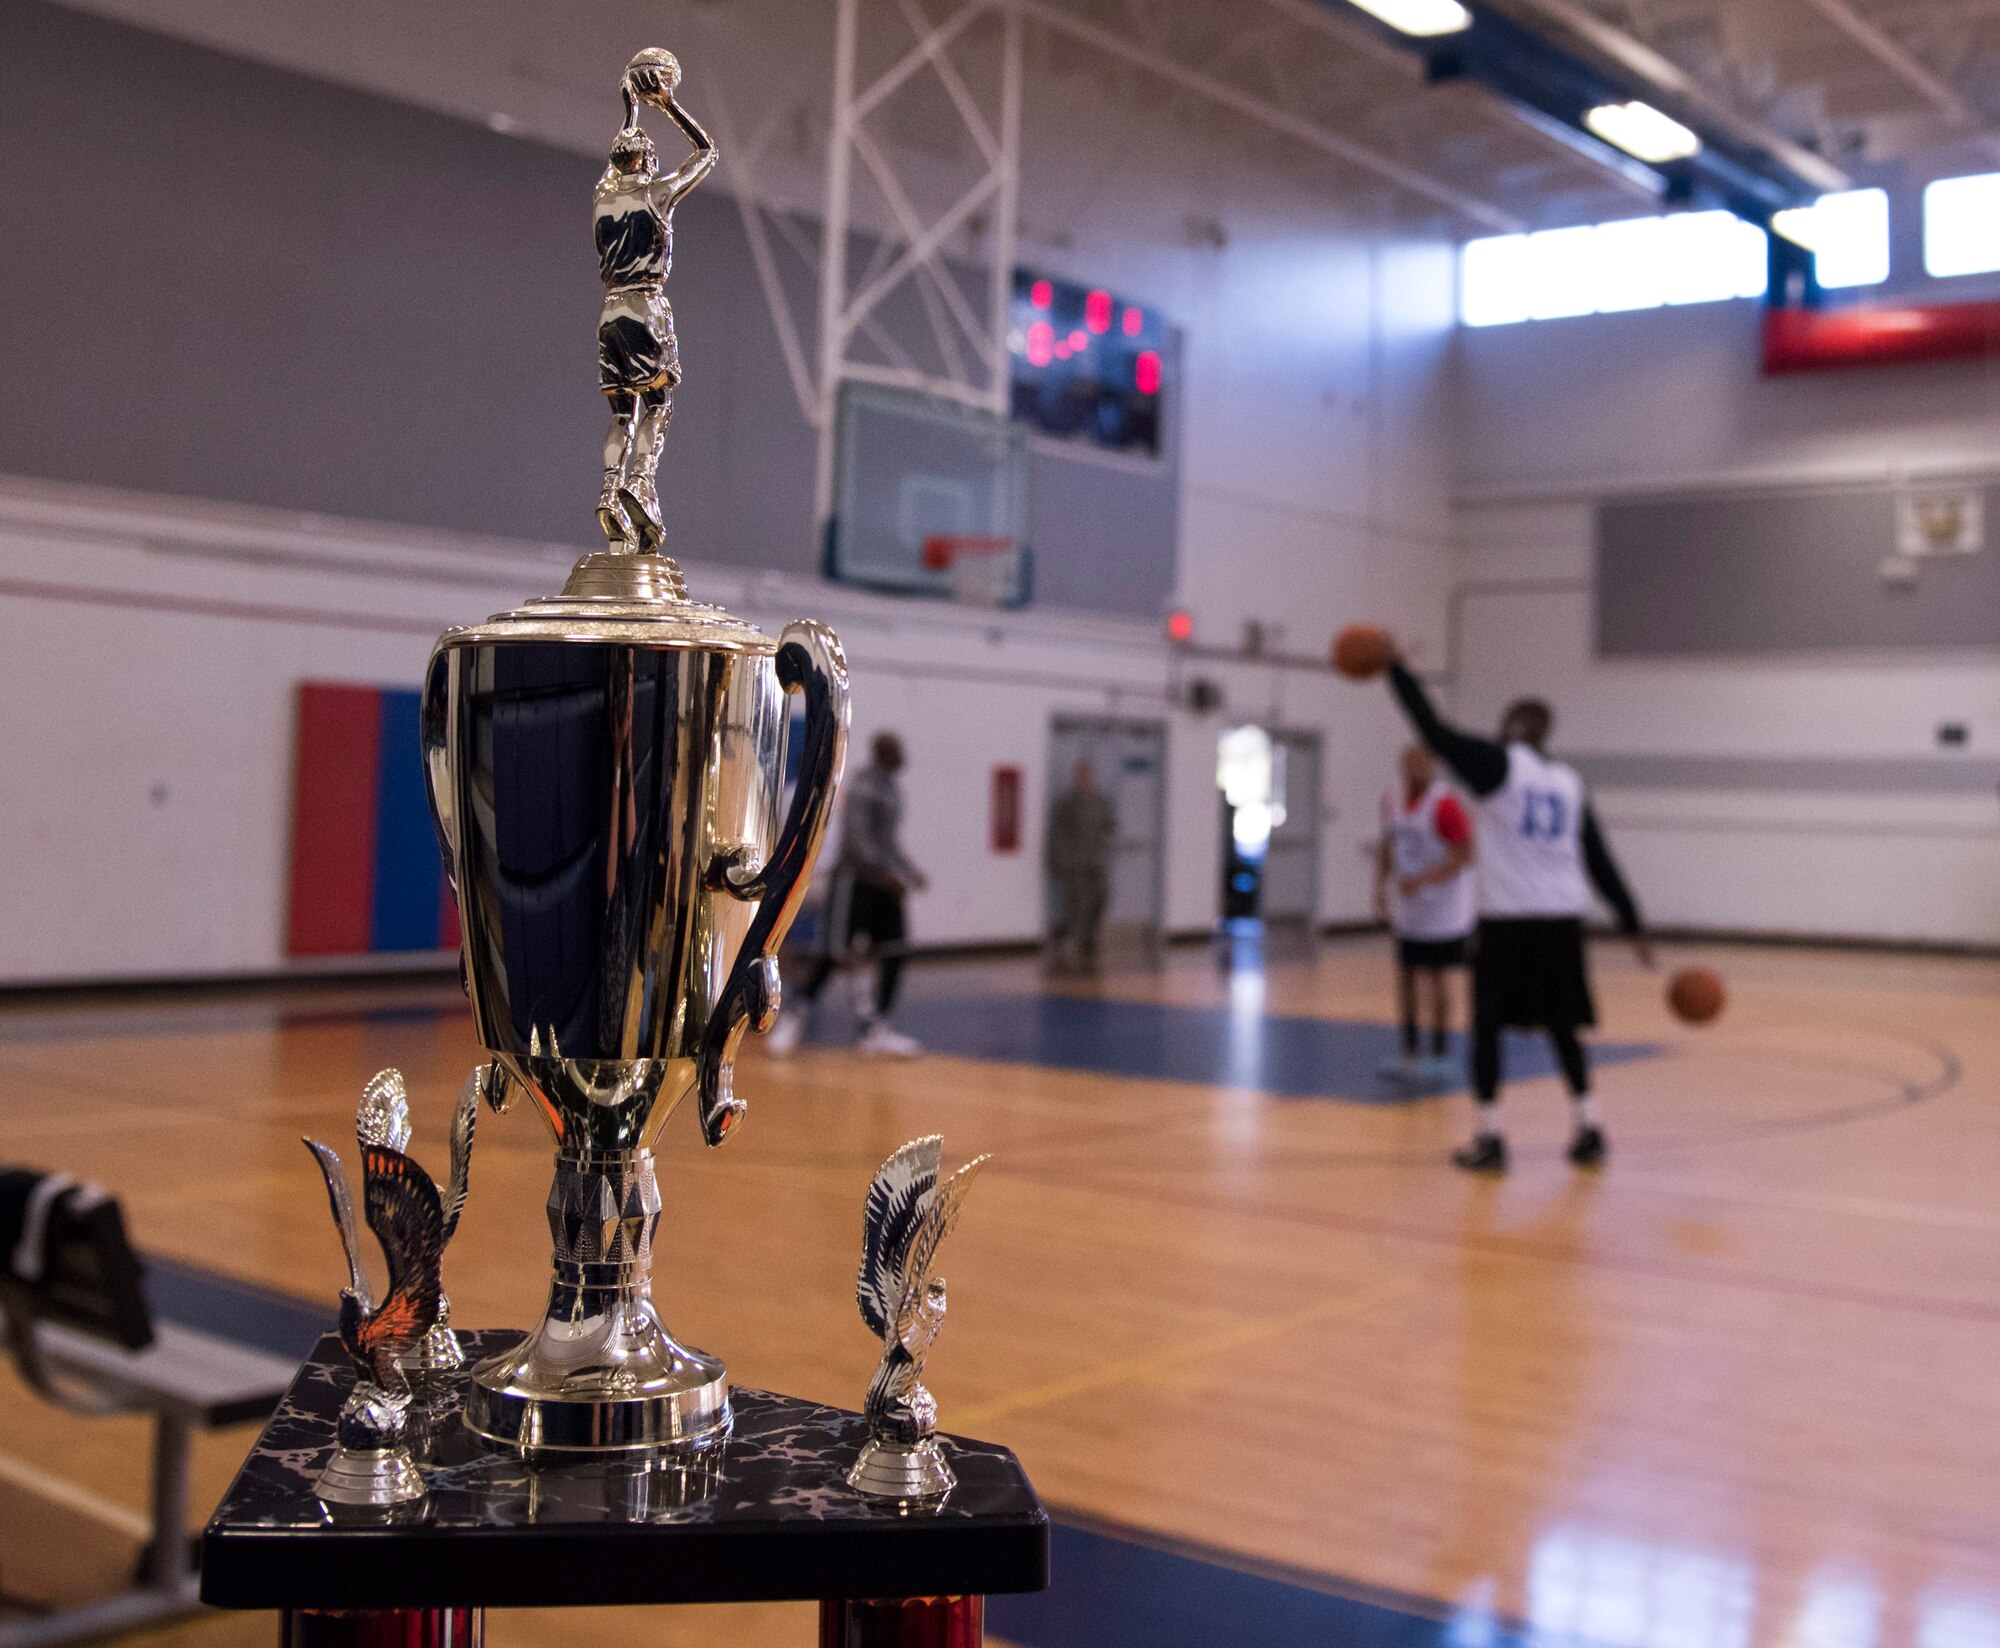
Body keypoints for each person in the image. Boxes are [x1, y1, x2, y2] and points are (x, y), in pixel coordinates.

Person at [1381, 652, 1651, 1173]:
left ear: (1508, 728)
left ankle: (1489, 1137)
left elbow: (1434, 732)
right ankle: (1589, 1126)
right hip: (1562, 922)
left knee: (1487, 1028)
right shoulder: (1569, 783)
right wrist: (1631, 921)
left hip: (1509, 922)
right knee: (1563, 1027)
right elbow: (1598, 858)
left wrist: (1397, 670)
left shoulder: (1501, 768)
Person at [593, 52, 715, 554]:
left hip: (609, 314)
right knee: (659, 403)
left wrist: (630, 105)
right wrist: (667, 104)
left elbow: (617, 159)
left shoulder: (603, 196)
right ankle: (640, 483)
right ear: (646, 162)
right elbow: (706, 153)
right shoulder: (656, 195)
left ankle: (608, 489)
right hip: (645, 306)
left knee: (622, 414)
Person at [769, 732, 928, 1058]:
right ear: (883, 752)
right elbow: (858, 843)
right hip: (855, 883)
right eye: (897, 749)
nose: (903, 754)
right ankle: (794, 1017)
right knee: (834, 954)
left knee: (894, 949)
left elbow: (889, 841)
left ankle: (877, 1029)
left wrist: (908, 870)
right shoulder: (861, 786)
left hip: (885, 884)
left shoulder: (893, 790)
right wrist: (885, 874)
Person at [1374, 745, 1475, 1084]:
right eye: (1410, 762)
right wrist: (1379, 890)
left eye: (1423, 762)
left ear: (1432, 766)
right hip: (1410, 907)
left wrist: (1425, 878)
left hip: (1444, 907)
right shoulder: (1392, 800)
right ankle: (1409, 1049)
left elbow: (1466, 855)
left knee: (1439, 978)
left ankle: (1441, 1049)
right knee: (1406, 976)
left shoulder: (1444, 804)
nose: (1416, 768)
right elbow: (1387, 846)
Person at [1046, 761, 1116, 973]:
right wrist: (1059, 862)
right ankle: (1069, 938)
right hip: (1075, 862)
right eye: (1082, 775)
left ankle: (1088, 938)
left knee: (1101, 897)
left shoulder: (1100, 801)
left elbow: (1108, 826)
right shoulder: (1067, 803)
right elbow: (1057, 835)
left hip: (1096, 861)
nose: (1086, 779)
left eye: (1088, 775)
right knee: (1078, 905)